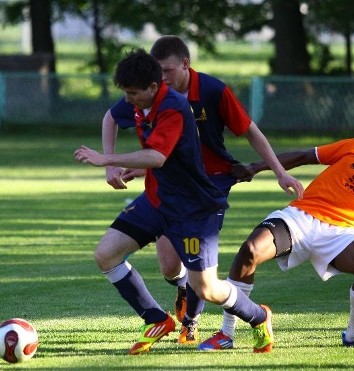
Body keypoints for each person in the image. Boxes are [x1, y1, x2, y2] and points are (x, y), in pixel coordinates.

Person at [101, 35, 303, 345]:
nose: (162, 77)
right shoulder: (144, 97)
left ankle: (251, 316)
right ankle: (159, 319)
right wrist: (119, 166)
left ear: (185, 64)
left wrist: (278, 171)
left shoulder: (205, 93)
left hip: (202, 195)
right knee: (124, 258)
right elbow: (119, 123)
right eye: (158, 71)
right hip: (161, 194)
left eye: (166, 71)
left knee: (206, 287)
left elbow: (247, 131)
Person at [199, 138, 354, 350]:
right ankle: (227, 333)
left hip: (343, 235)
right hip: (303, 217)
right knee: (249, 251)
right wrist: (256, 167)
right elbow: (304, 155)